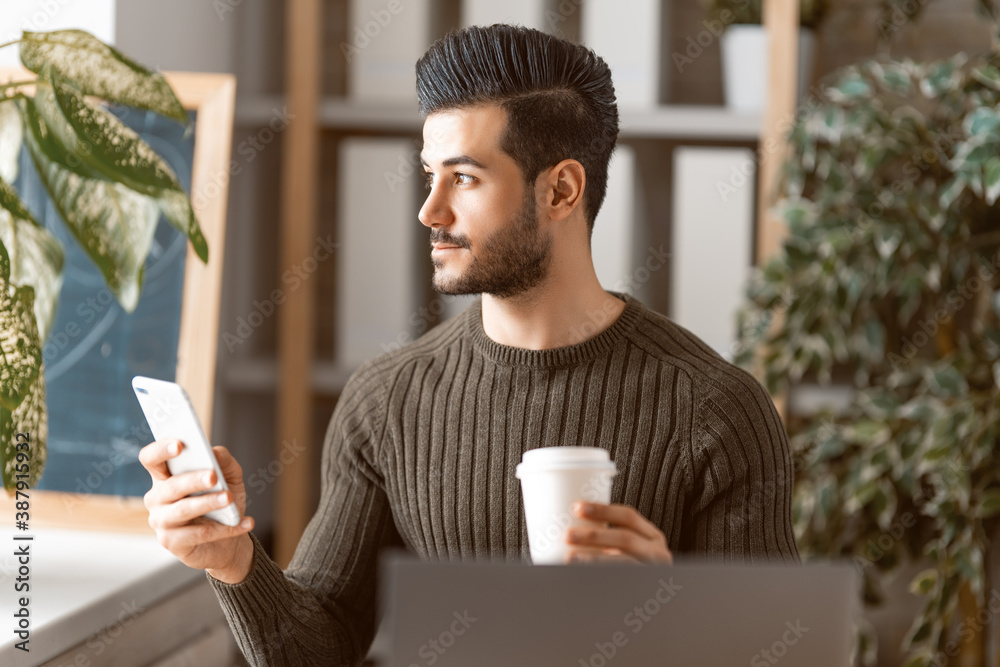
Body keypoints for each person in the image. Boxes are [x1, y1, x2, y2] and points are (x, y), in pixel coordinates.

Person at [139, 24, 799, 666]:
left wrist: (669, 615)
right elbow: (323, 645)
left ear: (561, 190)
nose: (429, 209)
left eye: (465, 177)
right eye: (429, 173)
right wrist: (233, 562)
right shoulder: (385, 400)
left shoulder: (717, 411)